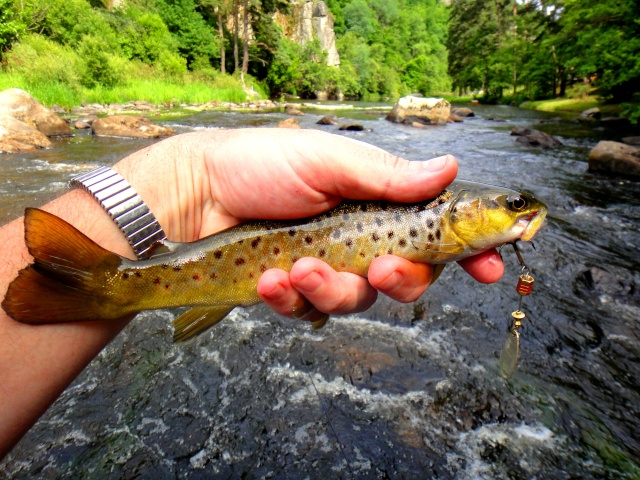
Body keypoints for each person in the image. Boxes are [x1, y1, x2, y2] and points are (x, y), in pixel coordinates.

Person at [0, 128, 503, 458]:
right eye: (513, 205)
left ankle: (123, 288)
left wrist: (199, 180)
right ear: (464, 212)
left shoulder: (444, 233)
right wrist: (200, 176)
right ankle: (117, 289)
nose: (522, 213)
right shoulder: (441, 212)